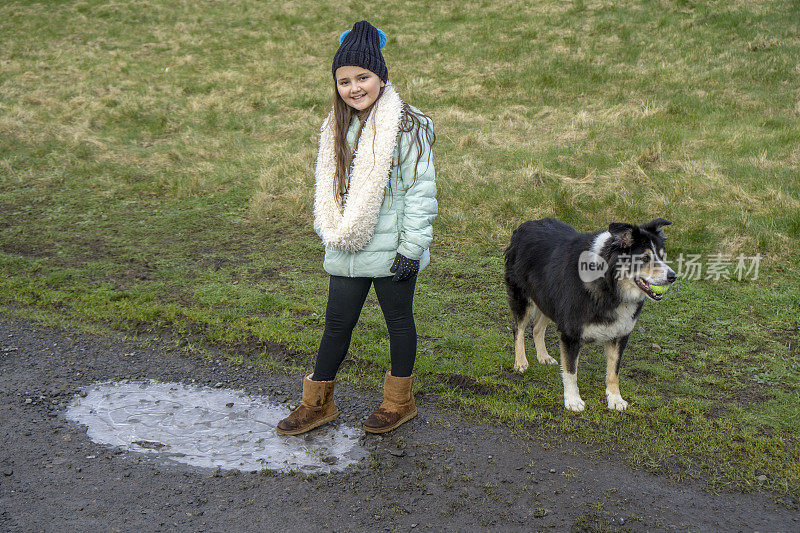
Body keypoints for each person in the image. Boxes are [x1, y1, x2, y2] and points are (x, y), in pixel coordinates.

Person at [277, 20, 437, 436]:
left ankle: (398, 402)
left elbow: (419, 192)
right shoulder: (337, 125)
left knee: (398, 322)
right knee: (336, 322)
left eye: (362, 77)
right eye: (344, 80)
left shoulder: (407, 125)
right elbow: (328, 185)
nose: (354, 87)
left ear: (381, 77)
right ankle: (318, 403)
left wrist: (412, 249)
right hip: (348, 243)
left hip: (392, 248)